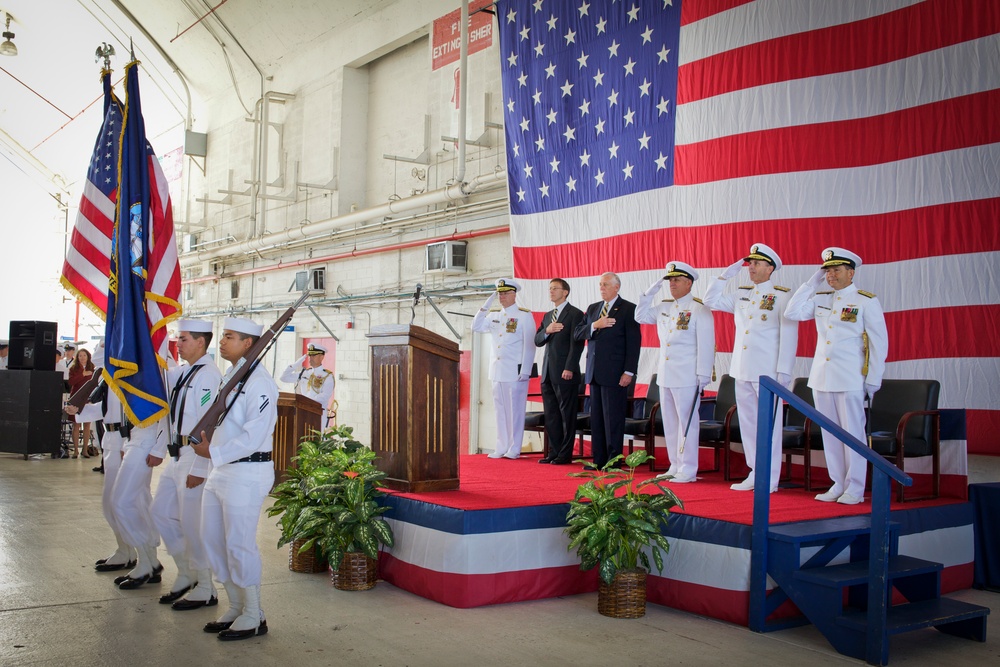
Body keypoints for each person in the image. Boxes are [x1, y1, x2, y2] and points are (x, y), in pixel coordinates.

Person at [192, 317, 277, 641]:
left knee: (239, 543)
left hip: (247, 470)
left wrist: (213, 453)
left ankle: (254, 614)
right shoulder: (232, 375)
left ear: (248, 344)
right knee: (212, 539)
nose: (222, 341)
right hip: (222, 468)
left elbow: (255, 434)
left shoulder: (260, 382)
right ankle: (236, 604)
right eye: (223, 336)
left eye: (229, 337)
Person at [784, 248, 889, 505]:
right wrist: (813, 281)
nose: (831, 275)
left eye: (836, 270)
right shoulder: (821, 298)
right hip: (822, 377)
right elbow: (792, 312)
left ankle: (854, 487)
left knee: (852, 434)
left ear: (851, 273)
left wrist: (874, 378)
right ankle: (838, 482)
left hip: (850, 377)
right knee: (830, 435)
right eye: (828, 270)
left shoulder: (866, 301)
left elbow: (879, 343)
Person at [704, 244, 798, 493]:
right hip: (742, 370)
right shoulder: (742, 294)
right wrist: (725, 275)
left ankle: (771, 477)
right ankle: (756, 471)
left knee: (769, 425)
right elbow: (709, 300)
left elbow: (789, 336)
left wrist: (784, 372)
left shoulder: (782, 296)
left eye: (756, 264)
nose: (751, 268)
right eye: (750, 263)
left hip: (768, 372)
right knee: (748, 424)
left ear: (770, 268)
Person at [150, 319, 223, 609]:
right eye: (177, 339)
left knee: (194, 526)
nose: (177, 344)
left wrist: (200, 469)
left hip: (195, 457)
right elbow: (169, 414)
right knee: (161, 513)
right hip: (176, 454)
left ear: (201, 342)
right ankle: (187, 571)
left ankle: (207, 587)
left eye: (183, 339)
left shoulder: (208, 375)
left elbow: (210, 423)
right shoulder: (183, 373)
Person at [636, 262, 715, 483]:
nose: (672, 283)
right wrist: (652, 290)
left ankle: (688, 468)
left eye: (677, 280)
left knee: (687, 422)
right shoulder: (664, 307)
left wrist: (703, 375)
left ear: (689, 283)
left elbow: (706, 344)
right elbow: (640, 315)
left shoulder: (699, 309)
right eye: (670, 280)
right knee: (670, 423)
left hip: (688, 375)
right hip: (666, 374)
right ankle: (675, 464)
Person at [573, 272, 641, 469]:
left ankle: (613, 460)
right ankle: (599, 459)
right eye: (600, 284)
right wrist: (595, 325)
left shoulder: (628, 309)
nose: (601, 288)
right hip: (595, 371)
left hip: (615, 372)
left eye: (605, 284)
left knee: (613, 418)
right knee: (597, 419)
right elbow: (578, 333)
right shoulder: (593, 309)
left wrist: (629, 371)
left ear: (616, 287)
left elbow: (634, 343)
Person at [472, 278, 537, 460]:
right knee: (500, 410)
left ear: (514, 295)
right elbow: (476, 326)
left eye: (506, 293)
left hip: (515, 371)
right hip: (497, 371)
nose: (502, 297)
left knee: (515, 411)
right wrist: (486, 304)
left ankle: (514, 447)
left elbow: (530, 345)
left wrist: (525, 370)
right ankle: (501, 446)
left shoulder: (524, 315)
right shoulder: (494, 315)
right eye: (500, 293)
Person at [534, 279, 585, 465]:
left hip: (565, 372)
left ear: (565, 292)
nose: (551, 291)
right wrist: (547, 330)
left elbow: (577, 344)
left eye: (555, 288)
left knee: (566, 415)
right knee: (552, 414)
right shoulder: (548, 316)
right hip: (547, 371)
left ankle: (565, 454)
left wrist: (570, 367)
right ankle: (553, 452)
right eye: (549, 288)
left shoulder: (576, 314)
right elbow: (538, 339)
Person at [279, 343, 335, 425]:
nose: (310, 358)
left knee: (316, 436)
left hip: (318, 412)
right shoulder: (305, 373)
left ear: (321, 357)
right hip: (302, 411)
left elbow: (325, 395)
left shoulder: (327, 376)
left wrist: (306, 401)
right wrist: (297, 363)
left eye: (314, 356)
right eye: (310, 355)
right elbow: (284, 378)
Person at [67, 348, 96, 459]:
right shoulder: (73, 368)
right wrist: (82, 374)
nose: (82, 358)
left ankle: (85, 449)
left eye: (84, 355)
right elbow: (71, 382)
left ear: (88, 357)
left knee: (87, 425)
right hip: (75, 399)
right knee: (76, 424)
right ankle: (75, 450)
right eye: (80, 355)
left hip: (87, 399)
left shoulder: (92, 368)